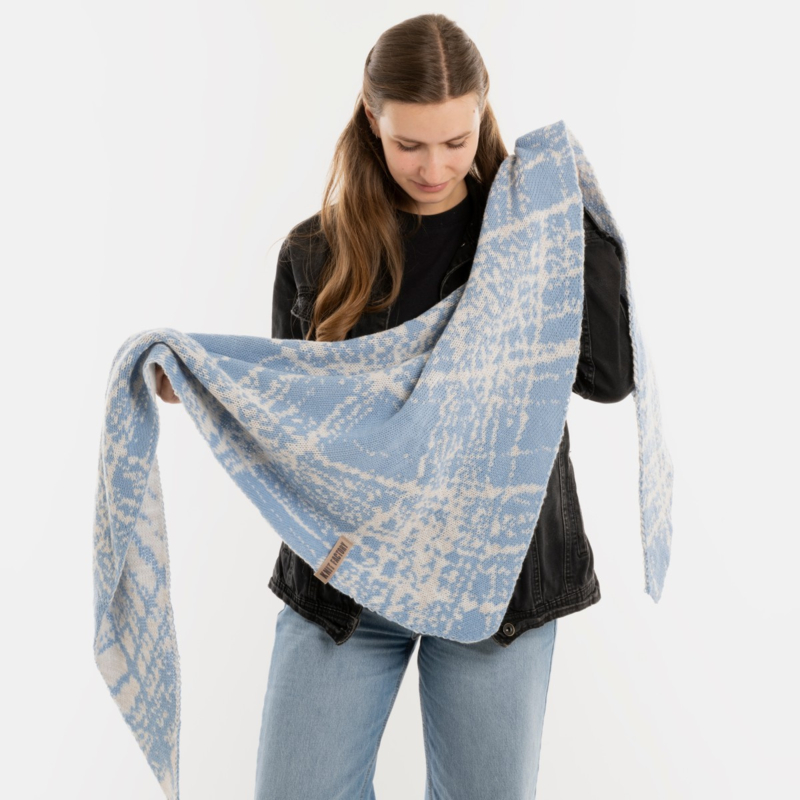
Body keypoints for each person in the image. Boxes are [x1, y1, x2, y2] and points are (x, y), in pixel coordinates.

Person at [155, 13, 634, 800]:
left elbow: (607, 378)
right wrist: (208, 386)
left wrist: (579, 228)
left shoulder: (530, 240)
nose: (434, 167)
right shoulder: (315, 253)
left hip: (497, 578)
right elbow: (299, 426)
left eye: (456, 141)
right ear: (371, 119)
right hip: (350, 577)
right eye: (410, 143)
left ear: (483, 112)